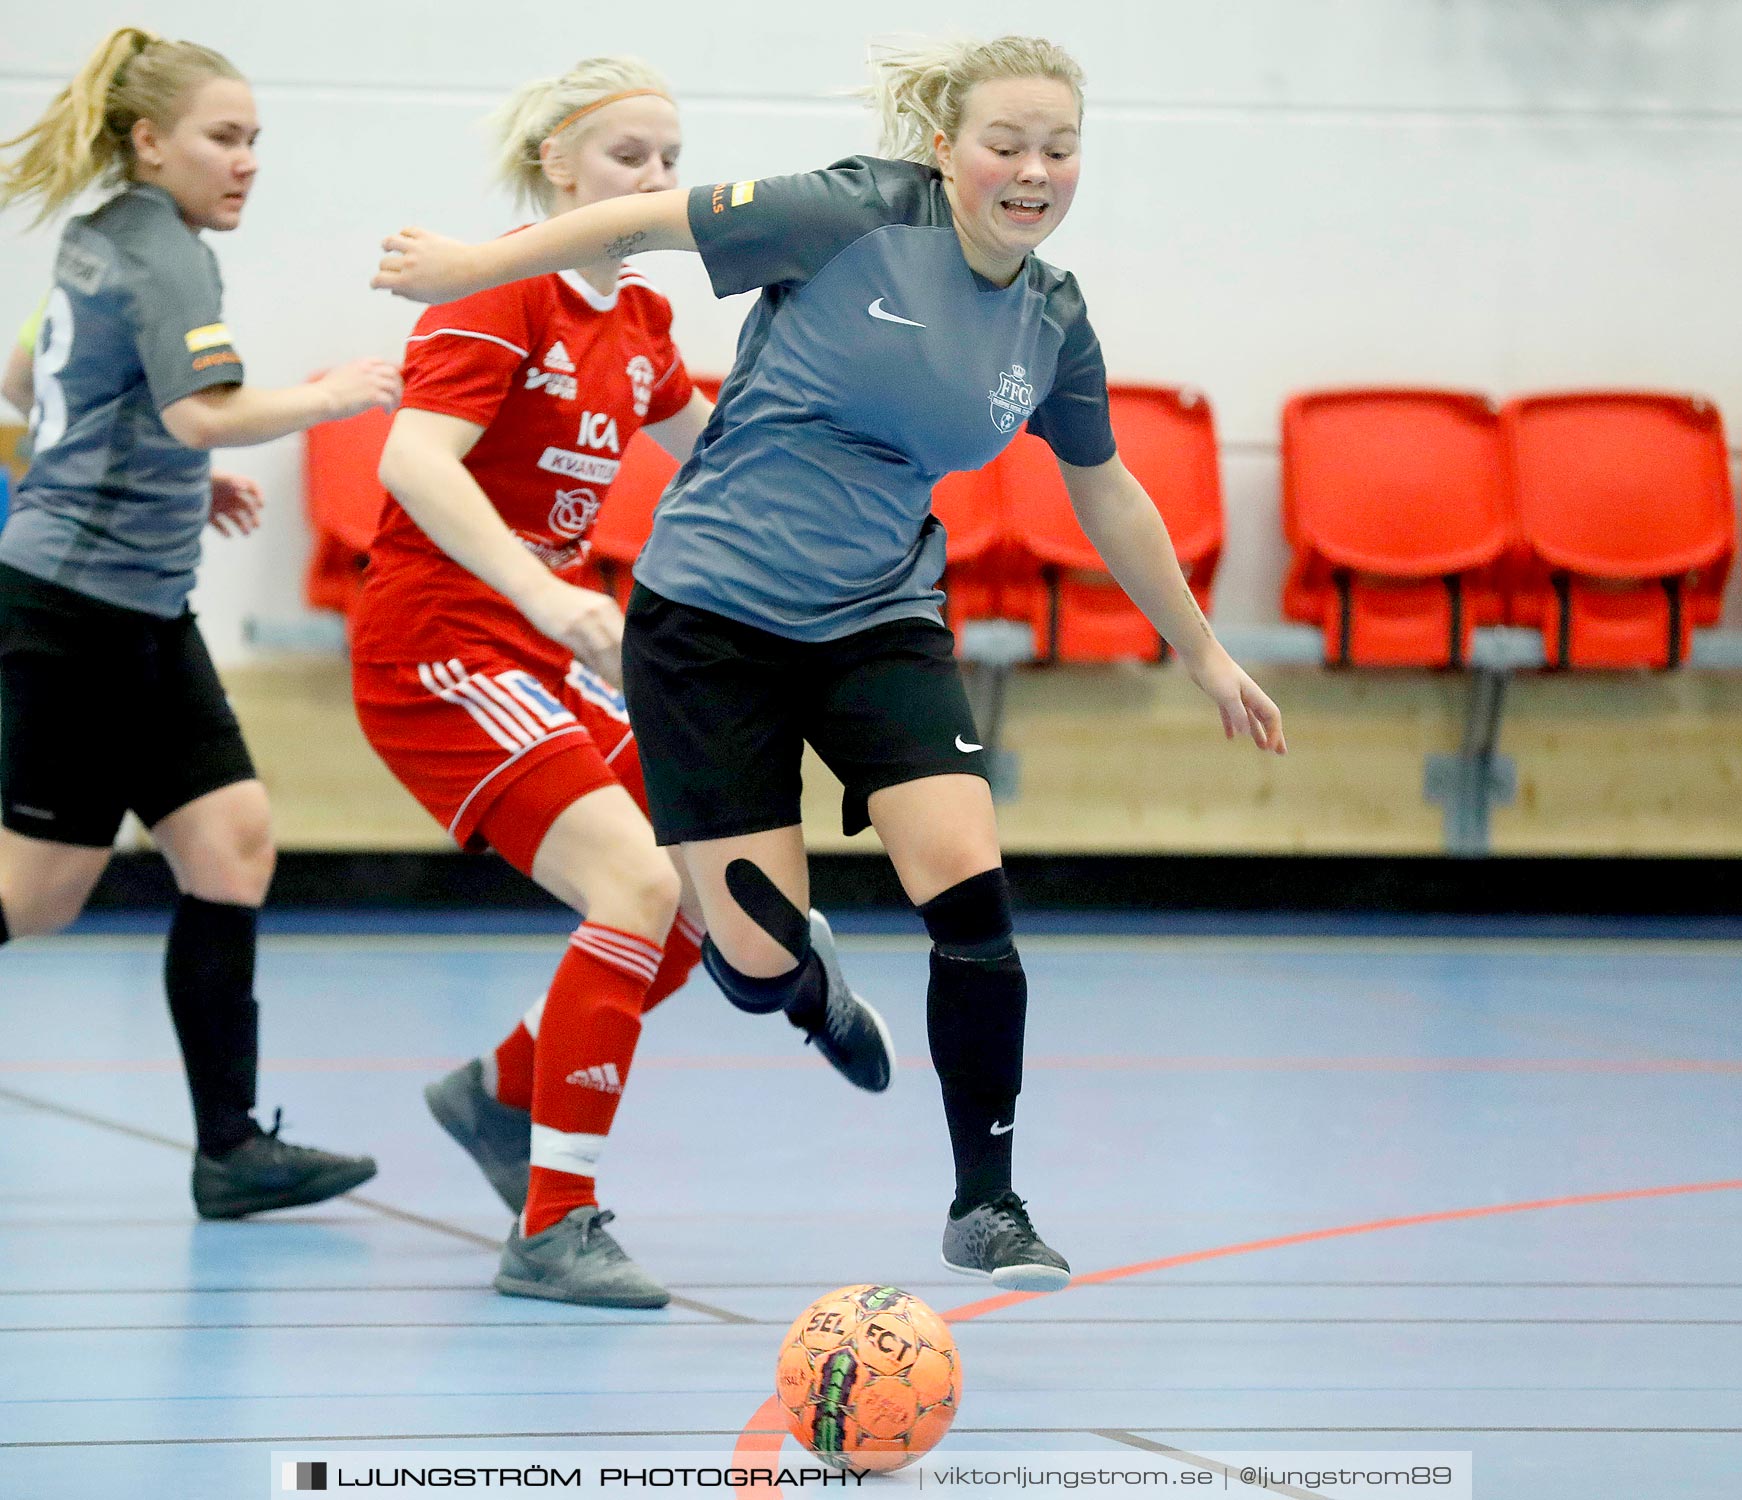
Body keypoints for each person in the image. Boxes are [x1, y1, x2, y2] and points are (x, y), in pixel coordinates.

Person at [373, 34, 1287, 1292]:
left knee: (967, 878)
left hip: (877, 615)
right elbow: (648, 219)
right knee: (741, 962)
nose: (1032, 171)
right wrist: (470, 267)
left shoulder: (1052, 318)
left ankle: (988, 1202)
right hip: (709, 624)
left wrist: (1203, 652)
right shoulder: (848, 213)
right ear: (943, 151)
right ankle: (801, 988)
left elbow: (1109, 490)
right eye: (1005, 145)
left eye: (1058, 150)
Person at [352, 57, 893, 1308]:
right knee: (638, 880)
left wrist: (860, 455)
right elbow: (414, 462)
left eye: (666, 160)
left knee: (696, 874)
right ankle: (554, 1226)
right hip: (439, 646)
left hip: (543, 651)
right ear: (560, 166)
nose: (655, 183)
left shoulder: (638, 322)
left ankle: (504, 1094)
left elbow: (714, 451)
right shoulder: (499, 299)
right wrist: (544, 588)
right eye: (627, 159)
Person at [0, 26, 399, 1218]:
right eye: (225, 138)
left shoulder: (102, 237)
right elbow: (200, 411)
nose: (246, 162)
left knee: (230, 845)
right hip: (76, 614)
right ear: (148, 141)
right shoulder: (166, 253)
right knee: (36, 898)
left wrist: (174, 477)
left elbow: (32, 380)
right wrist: (329, 397)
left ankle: (229, 1151)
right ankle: (228, 1145)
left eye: (255, 141)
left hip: (139, 611)